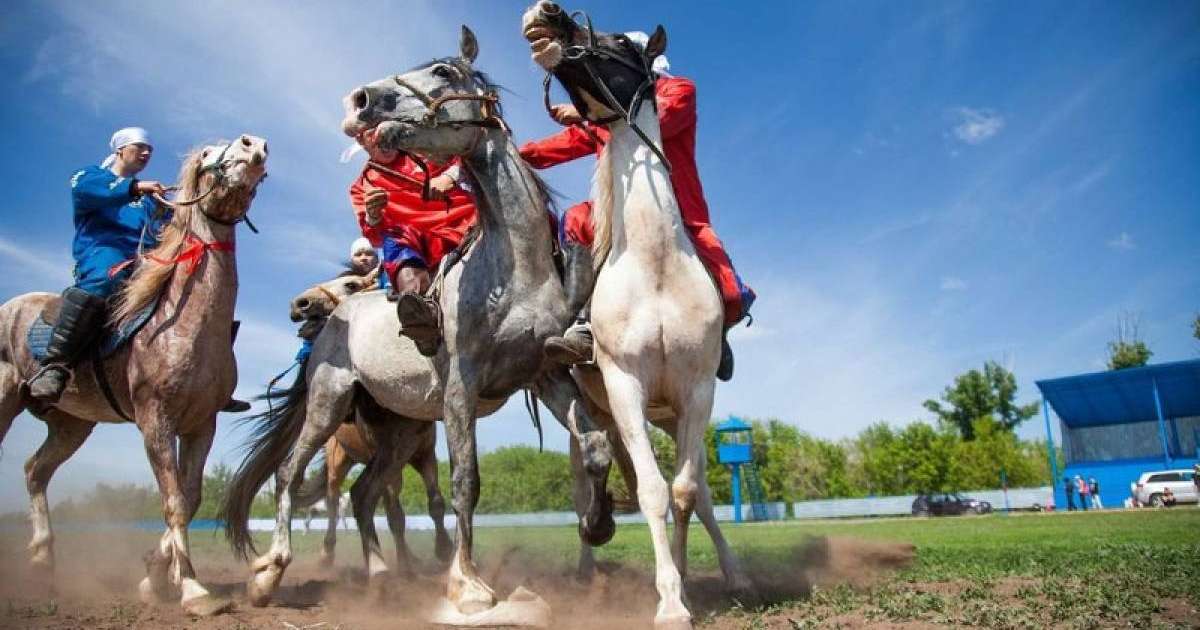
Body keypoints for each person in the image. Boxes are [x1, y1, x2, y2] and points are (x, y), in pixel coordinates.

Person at [518, 32, 755, 381]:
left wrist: (588, 115)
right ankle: (582, 320)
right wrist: (514, 153)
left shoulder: (678, 90)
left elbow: (663, 120)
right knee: (575, 221)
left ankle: (717, 333)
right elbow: (563, 145)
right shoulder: (604, 117)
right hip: (618, 213)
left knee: (726, 280)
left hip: (676, 206)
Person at [26, 128, 249, 411]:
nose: (146, 153)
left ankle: (215, 382)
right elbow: (85, 192)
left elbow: (173, 222)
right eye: (140, 147)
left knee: (202, 291)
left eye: (150, 150)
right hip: (104, 252)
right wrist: (135, 187)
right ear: (120, 150)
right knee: (107, 278)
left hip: (145, 259)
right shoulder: (89, 177)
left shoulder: (148, 199)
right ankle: (55, 365)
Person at [348, 134, 475, 356]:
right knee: (394, 236)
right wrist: (373, 216)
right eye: (374, 139)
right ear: (361, 141)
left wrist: (450, 176)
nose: (385, 143)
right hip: (418, 245)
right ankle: (421, 313)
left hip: (464, 221)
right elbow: (374, 237)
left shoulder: (423, 148)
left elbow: (468, 155)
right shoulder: (361, 186)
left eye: (386, 136)